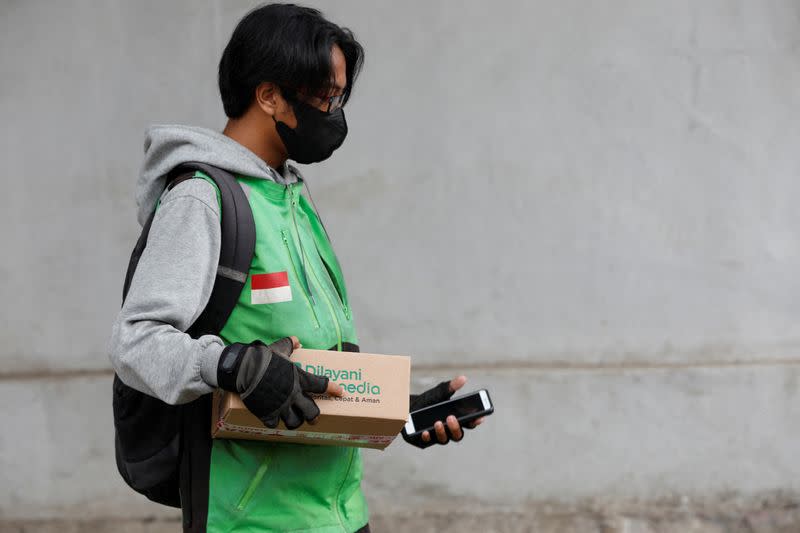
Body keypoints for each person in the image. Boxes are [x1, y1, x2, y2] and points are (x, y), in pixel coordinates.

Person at [109, 4, 484, 532]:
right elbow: (136, 342)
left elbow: (311, 358)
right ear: (269, 96)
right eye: (325, 97)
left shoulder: (290, 198)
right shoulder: (202, 200)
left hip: (340, 513)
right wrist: (232, 365)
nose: (335, 115)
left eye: (339, 97)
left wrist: (393, 406)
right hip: (253, 519)